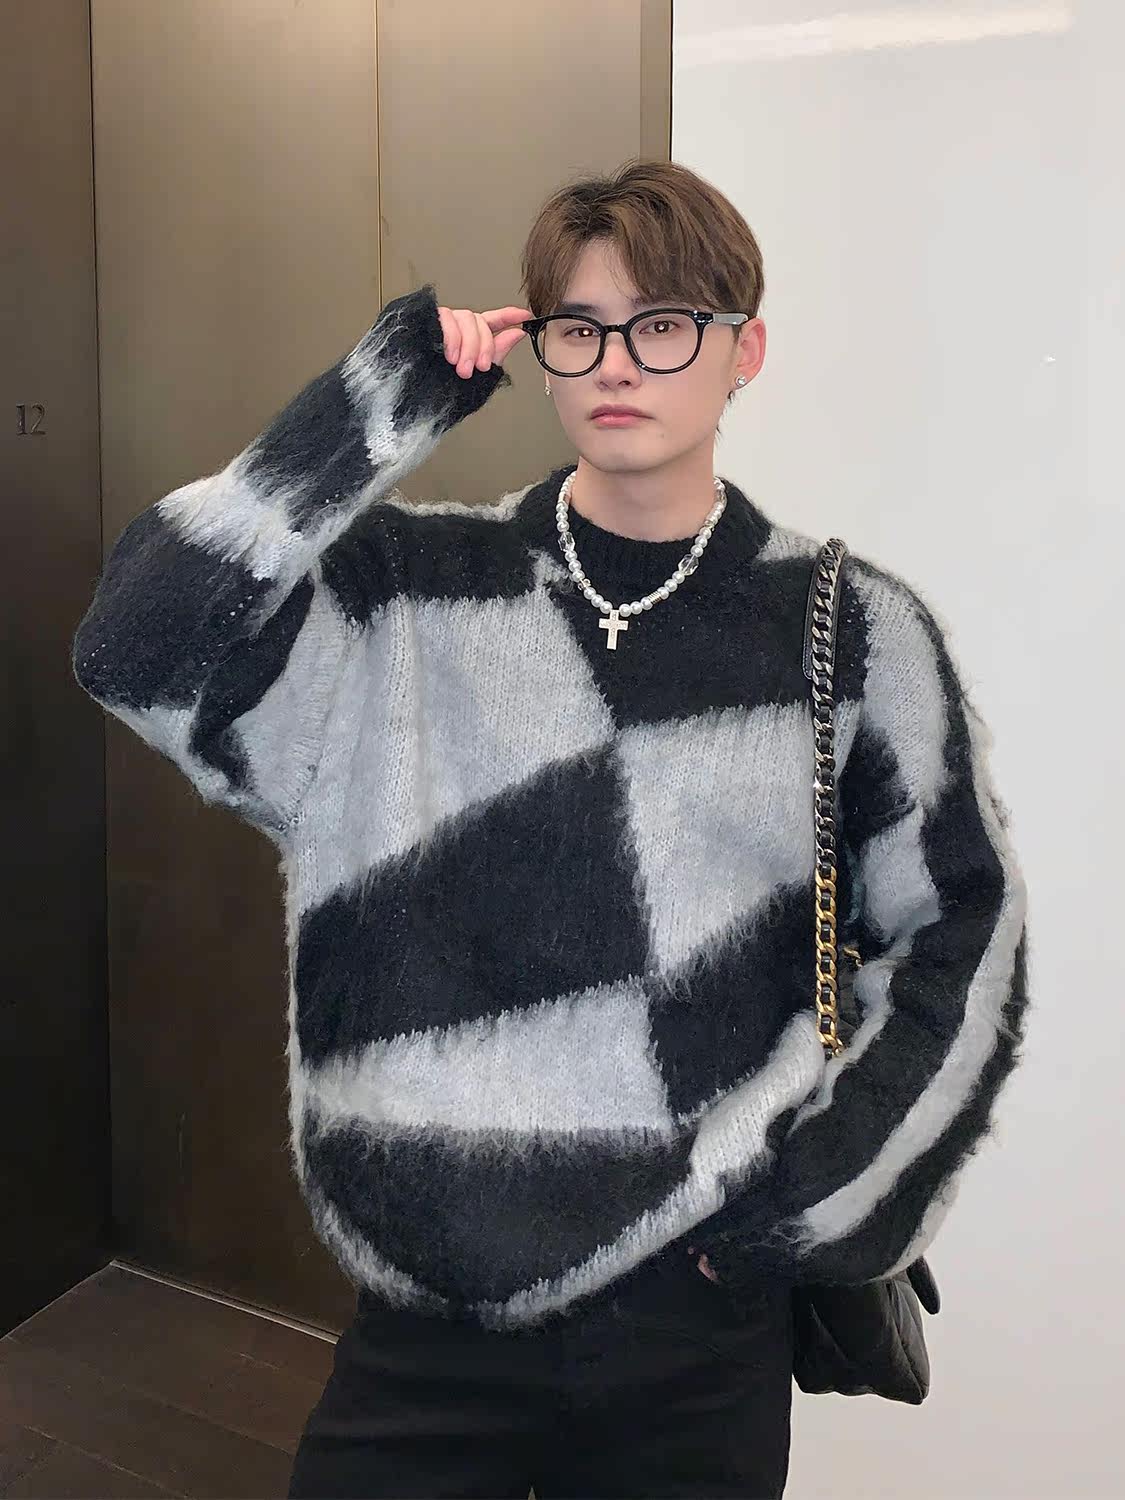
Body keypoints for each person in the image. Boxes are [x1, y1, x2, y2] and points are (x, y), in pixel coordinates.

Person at [71, 159, 1029, 1499]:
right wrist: (376, 401)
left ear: (743, 352)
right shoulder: (402, 595)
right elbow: (136, 644)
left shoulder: (850, 627)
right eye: (579, 327)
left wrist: (825, 1204)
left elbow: (958, 928)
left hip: (699, 1316)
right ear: (539, 349)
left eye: (664, 324)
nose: (617, 362)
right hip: (428, 1312)